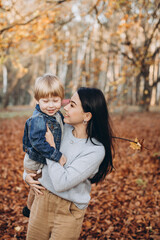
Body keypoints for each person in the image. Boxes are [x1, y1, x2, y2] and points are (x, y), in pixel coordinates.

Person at [24, 87, 114, 240]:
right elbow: (35, 152)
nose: (65, 107)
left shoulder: (95, 150)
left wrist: (52, 150)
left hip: (68, 212)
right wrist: (26, 175)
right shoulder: (59, 128)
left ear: (87, 115)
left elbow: (61, 183)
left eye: (72, 105)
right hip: (42, 200)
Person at [22, 73, 66, 217]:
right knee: (37, 187)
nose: (51, 105)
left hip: (43, 160)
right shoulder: (38, 119)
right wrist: (56, 155)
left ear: (61, 99)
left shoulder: (57, 115)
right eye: (46, 101)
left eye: (55, 100)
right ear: (37, 100)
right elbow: (38, 143)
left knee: (40, 186)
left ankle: (32, 210)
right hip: (35, 161)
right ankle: (30, 209)